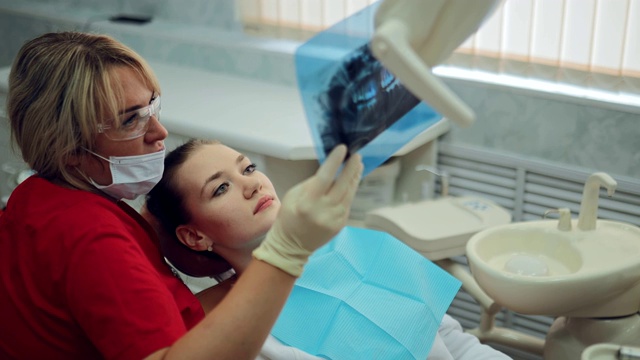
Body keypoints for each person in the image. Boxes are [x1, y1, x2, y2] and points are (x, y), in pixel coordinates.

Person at [0, 31, 363, 360]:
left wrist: (252, 270)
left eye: (152, 108)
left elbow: (136, 302)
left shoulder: (39, 197)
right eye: (131, 120)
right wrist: (284, 253)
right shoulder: (91, 239)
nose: (159, 131)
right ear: (69, 149)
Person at [145, 139, 513, 360]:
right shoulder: (240, 329)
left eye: (248, 168)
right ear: (195, 237)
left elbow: (454, 342)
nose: (252, 185)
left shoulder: (361, 249)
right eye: (220, 189)